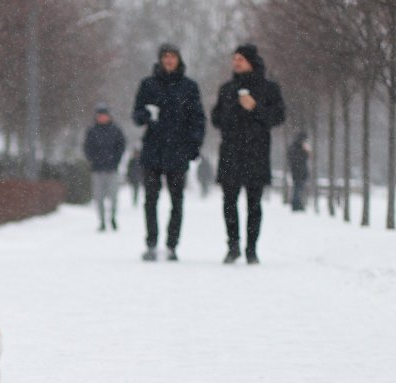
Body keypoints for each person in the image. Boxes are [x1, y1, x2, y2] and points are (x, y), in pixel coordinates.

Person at [211, 43, 285, 265]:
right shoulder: (226, 89)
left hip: (256, 152)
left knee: (254, 204)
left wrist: (255, 107)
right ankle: (233, 246)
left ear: (251, 61)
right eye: (234, 59)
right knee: (229, 202)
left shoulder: (269, 88)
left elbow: (278, 117)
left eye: (240, 59)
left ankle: (251, 248)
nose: (236, 63)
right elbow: (216, 118)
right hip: (231, 151)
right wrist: (231, 112)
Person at [132, 42, 206, 261]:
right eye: (165, 56)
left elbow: (198, 119)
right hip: (153, 150)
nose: (169, 60)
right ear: (160, 59)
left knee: (177, 201)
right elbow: (136, 115)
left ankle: (172, 245)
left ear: (179, 59)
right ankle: (151, 243)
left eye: (172, 56)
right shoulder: (147, 85)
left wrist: (194, 145)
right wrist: (146, 115)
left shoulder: (189, 87)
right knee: (150, 200)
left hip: (178, 151)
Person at [83, 103, 126, 231]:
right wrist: (93, 160)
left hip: (112, 169)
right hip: (97, 170)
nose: (102, 118)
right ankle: (101, 221)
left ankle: (112, 217)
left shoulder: (116, 130)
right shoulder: (92, 131)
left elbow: (121, 146)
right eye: (100, 115)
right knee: (99, 197)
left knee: (113, 196)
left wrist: (116, 160)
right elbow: (87, 148)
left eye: (104, 115)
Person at [286, 131, 310, 212]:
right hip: (299, 172)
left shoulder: (294, 147)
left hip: (297, 171)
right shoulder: (299, 148)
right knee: (298, 188)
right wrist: (305, 152)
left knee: (298, 188)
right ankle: (296, 205)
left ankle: (297, 204)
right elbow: (302, 159)